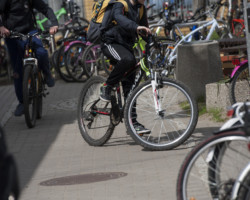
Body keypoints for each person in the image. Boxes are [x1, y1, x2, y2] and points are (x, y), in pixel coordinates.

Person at [100, 0, 151, 134]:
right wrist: (135, 27)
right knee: (128, 60)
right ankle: (107, 86)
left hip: (126, 47)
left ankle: (132, 123)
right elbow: (119, 18)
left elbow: (145, 31)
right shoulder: (121, 3)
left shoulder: (140, 9)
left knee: (130, 86)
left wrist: (153, 42)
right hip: (110, 42)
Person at [0, 0, 59, 116]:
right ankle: (22, 102)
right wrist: (1, 27)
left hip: (30, 31)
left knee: (41, 53)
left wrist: (54, 23)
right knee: (17, 71)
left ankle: (47, 74)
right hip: (12, 34)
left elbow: (45, 9)